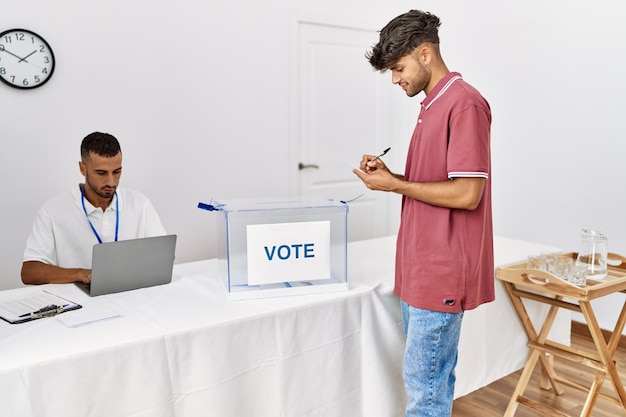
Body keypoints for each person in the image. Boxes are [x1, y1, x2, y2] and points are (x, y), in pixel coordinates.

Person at [353, 10, 494, 417]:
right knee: (429, 380)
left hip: (442, 270)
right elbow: (435, 184)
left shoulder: (464, 103)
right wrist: (392, 176)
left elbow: (468, 193)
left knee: (425, 387)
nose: (396, 80)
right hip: (419, 266)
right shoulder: (432, 104)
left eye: (399, 68)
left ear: (425, 53)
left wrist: (396, 185)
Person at [21, 132, 166, 285]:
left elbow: (164, 257)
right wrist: (83, 274)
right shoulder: (52, 211)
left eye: (117, 172)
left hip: (131, 297)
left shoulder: (140, 203)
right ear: (82, 168)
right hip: (81, 303)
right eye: (101, 173)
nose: (111, 182)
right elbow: (30, 272)